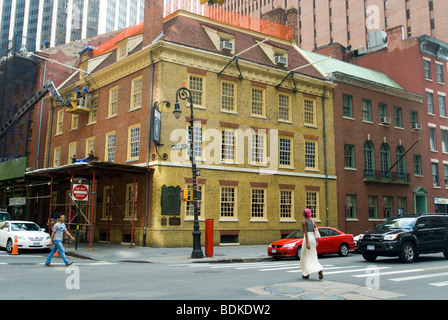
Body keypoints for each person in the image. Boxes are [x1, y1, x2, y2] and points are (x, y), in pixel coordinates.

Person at [300, 208, 323, 280]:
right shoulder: (313, 220)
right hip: (313, 238)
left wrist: (307, 243)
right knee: (313, 256)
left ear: (304, 214)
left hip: (308, 239)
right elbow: (315, 229)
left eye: (303, 212)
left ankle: (307, 273)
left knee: (305, 256)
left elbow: (305, 232)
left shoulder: (304, 221)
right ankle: (313, 271)